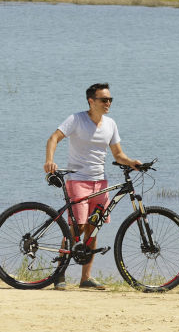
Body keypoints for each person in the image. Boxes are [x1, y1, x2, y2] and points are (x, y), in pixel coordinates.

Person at [43, 83, 141, 290]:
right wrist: (49, 161)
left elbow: (118, 155)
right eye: (104, 100)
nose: (108, 103)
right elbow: (53, 138)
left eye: (110, 100)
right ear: (91, 101)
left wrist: (132, 162)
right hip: (78, 180)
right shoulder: (76, 119)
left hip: (100, 182)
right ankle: (59, 276)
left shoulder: (110, 124)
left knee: (93, 229)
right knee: (76, 228)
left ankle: (85, 278)